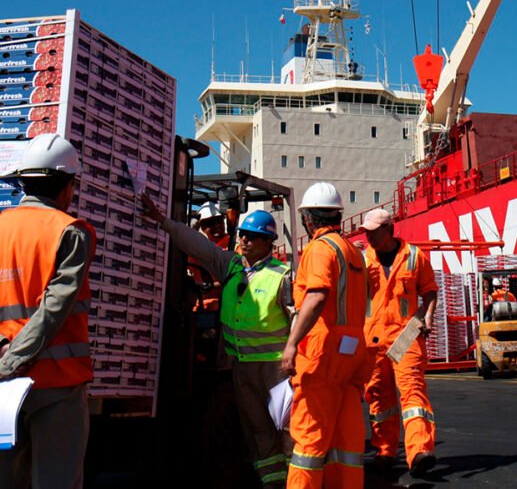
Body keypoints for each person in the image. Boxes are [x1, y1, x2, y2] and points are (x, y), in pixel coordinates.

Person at [140, 198, 291, 488]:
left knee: (288, 432)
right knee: (257, 431)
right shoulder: (232, 267)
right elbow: (198, 246)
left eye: (253, 237)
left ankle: (298, 483)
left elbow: (297, 322)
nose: (244, 240)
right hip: (242, 367)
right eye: (243, 235)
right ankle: (272, 483)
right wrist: (163, 221)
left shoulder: (282, 277)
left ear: (268, 242)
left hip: (276, 370)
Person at [0, 133, 95, 489]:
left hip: (3, 388)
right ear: (67, 186)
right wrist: (14, 360)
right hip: (57, 384)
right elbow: (54, 308)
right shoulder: (71, 231)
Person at [281, 182, 372, 489]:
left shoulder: (320, 249)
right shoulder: (352, 251)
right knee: (345, 439)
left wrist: (292, 343)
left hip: (323, 353)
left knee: (309, 439)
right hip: (353, 352)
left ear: (308, 218)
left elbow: (317, 296)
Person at [360, 208, 438, 478]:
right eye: (366, 231)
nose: (368, 236)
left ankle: (419, 452)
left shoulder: (415, 257)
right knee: (379, 397)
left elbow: (429, 292)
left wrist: (427, 316)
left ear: (389, 230)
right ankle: (385, 450)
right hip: (372, 338)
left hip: (406, 334)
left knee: (412, 392)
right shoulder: (361, 261)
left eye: (373, 231)